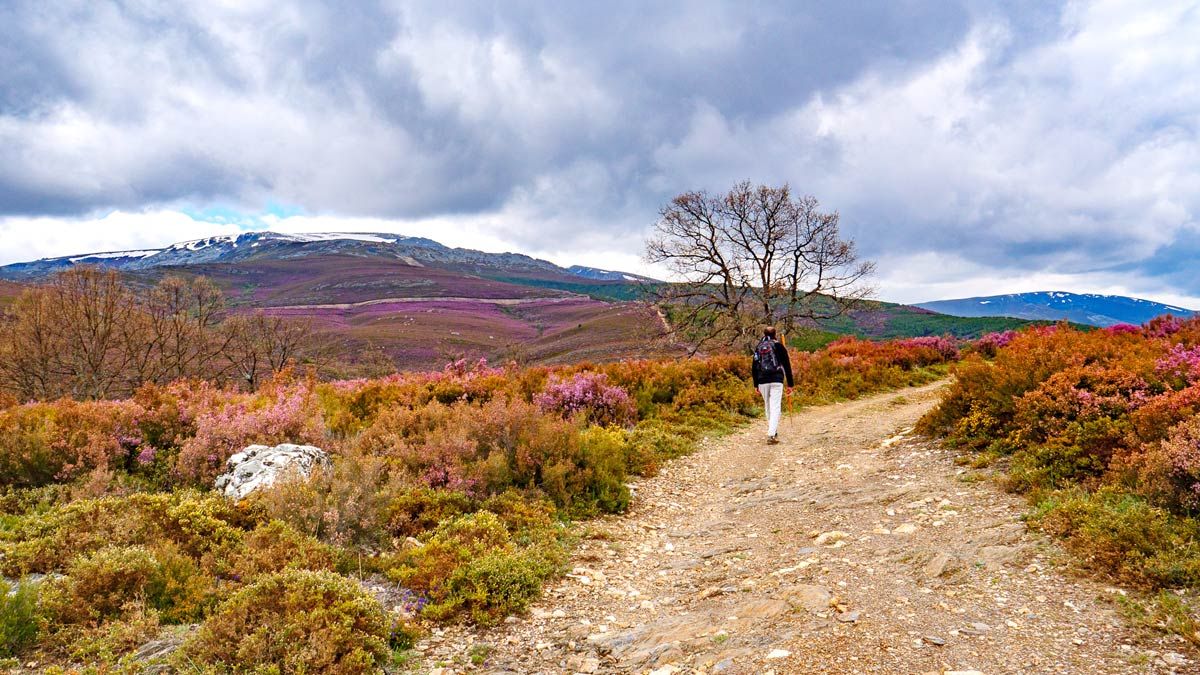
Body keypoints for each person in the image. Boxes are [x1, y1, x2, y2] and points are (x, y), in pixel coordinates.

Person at [751, 326, 794, 444]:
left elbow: (754, 367)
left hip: (762, 381)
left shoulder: (759, 347)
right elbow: (787, 365)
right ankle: (771, 434)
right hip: (776, 379)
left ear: (764, 334)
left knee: (768, 406)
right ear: (775, 334)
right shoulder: (779, 346)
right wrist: (790, 384)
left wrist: (756, 384)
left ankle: (773, 431)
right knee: (775, 407)